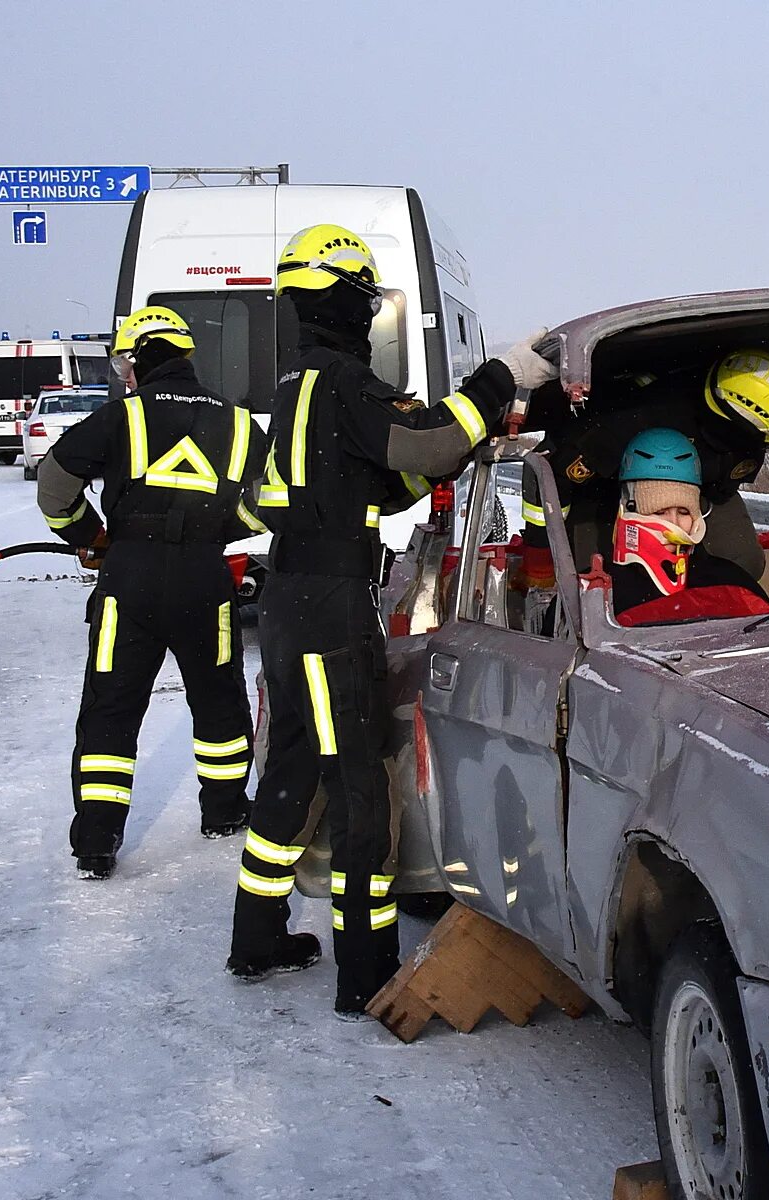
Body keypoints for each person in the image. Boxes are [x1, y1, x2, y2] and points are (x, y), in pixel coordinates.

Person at [226, 223, 553, 1013]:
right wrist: (499, 378)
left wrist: (449, 454)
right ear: (344, 300)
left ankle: (258, 937)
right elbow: (432, 445)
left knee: (295, 770)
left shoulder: (292, 387)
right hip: (330, 608)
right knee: (360, 785)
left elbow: (378, 482)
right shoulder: (342, 384)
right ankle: (364, 971)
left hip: (286, 601)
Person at [35, 305, 272, 880]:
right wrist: (221, 529)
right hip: (204, 578)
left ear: (138, 360)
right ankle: (223, 810)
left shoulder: (122, 416)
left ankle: (97, 840)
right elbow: (272, 497)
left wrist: (90, 535)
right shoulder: (239, 422)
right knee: (217, 699)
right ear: (186, 357)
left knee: (111, 709)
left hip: (130, 579)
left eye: (125, 365)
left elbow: (54, 480)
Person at [518, 348, 769, 586]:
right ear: (726, 422)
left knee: (742, 563)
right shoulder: (630, 422)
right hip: (607, 493)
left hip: (707, 493)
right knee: (596, 576)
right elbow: (549, 481)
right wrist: (540, 561)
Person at [607, 427, 769, 626]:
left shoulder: (732, 581)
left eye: (684, 512)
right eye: (659, 512)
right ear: (628, 510)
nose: (674, 527)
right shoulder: (599, 594)